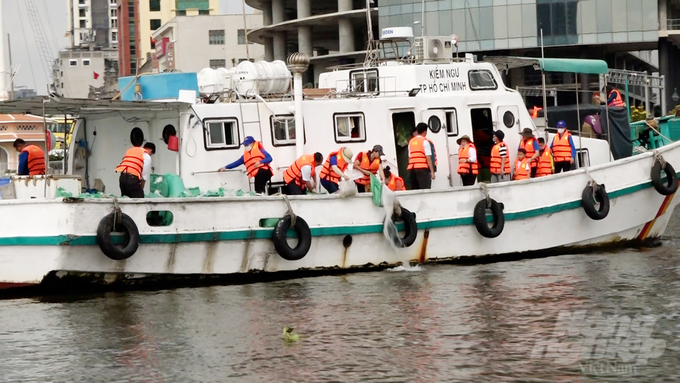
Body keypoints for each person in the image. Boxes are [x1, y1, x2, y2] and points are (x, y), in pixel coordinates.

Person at [407, 122, 435, 190]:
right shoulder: (425, 141)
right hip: (422, 168)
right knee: (425, 189)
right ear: (425, 132)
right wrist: (432, 171)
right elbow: (428, 157)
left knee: (415, 190)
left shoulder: (411, 141)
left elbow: (409, 157)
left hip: (412, 169)